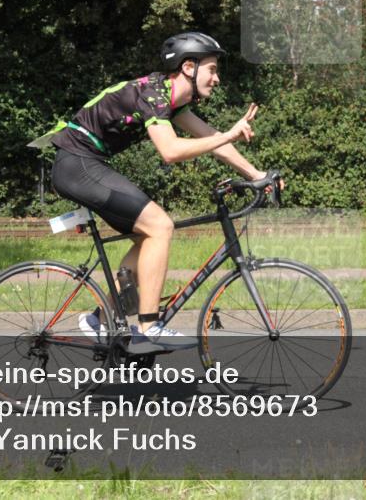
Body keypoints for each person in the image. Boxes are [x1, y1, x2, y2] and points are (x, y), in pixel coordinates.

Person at [47, 32, 272, 353]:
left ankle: (100, 319)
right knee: (160, 225)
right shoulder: (153, 94)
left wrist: (257, 175)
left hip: (88, 163)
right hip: (77, 164)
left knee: (149, 236)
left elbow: (213, 138)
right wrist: (230, 135)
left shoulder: (171, 101)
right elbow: (169, 150)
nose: (217, 78)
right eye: (212, 69)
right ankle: (147, 328)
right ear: (189, 68)